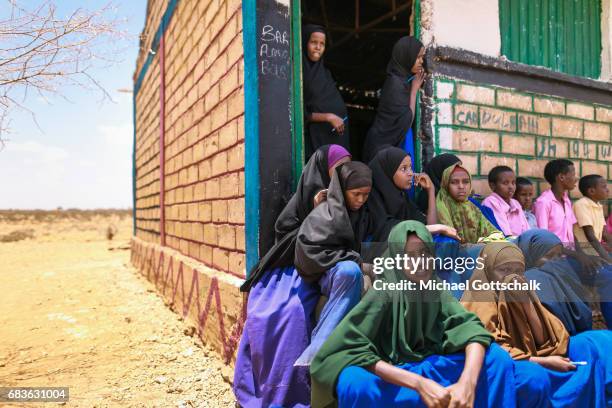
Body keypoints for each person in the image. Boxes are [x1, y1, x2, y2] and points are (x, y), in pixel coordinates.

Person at [310, 221, 526, 408]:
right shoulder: (384, 292)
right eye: (410, 255)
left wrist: (467, 384)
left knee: (495, 357)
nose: (420, 262)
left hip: (428, 365)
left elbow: (470, 328)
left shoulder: (435, 287)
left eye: (425, 253)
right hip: (394, 375)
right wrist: (418, 383)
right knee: (353, 381)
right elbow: (348, 348)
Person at [233, 145, 350, 408]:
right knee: (265, 311)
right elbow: (287, 238)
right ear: (322, 170)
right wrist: (316, 212)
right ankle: (257, 390)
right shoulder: (302, 201)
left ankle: (291, 395)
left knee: (293, 314)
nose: (342, 175)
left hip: (315, 271)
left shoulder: (348, 200)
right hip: (286, 272)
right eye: (338, 169)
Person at [461, 242, 609, 407]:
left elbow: (548, 339)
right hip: (508, 367)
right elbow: (492, 351)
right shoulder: (480, 298)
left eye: (518, 271)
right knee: (535, 377)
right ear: (488, 269)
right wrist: (543, 361)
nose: (513, 277)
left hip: (538, 356)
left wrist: (526, 304)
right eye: (504, 270)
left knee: (590, 346)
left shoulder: (520, 289)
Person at [293, 161, 374, 366]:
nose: (361, 200)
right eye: (356, 194)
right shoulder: (323, 215)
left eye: (366, 195)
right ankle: (319, 350)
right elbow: (308, 253)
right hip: (328, 274)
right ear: (343, 189)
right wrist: (357, 262)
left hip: (352, 271)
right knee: (349, 271)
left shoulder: (364, 215)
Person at [518, 229, 612, 332]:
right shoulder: (529, 285)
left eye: (558, 256)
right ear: (532, 254)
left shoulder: (558, 276)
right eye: (549, 256)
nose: (555, 261)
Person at [367, 146, 458, 242]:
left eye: (410, 168)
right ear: (388, 171)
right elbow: (392, 231)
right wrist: (439, 228)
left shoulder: (402, 198)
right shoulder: (372, 200)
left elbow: (430, 226)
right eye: (403, 169)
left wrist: (430, 190)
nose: (410, 173)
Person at [362, 36, 425, 163]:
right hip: (380, 147)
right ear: (406, 57)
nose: (421, 61)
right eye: (418, 57)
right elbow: (406, 121)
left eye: (422, 57)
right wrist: (414, 91)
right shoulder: (395, 84)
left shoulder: (402, 80)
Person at [416, 153, 502, 230]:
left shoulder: (466, 200)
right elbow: (433, 228)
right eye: (453, 168)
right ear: (442, 173)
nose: (458, 170)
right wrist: (431, 190)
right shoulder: (429, 198)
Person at [302, 25, 350, 159]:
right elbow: (300, 112)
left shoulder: (325, 73)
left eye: (322, 44)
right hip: (315, 139)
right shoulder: (299, 73)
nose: (318, 47)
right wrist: (329, 117)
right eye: (313, 42)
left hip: (334, 136)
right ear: (305, 42)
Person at [436, 163, 503, 244]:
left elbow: (492, 233)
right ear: (446, 184)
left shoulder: (473, 207)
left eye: (466, 182)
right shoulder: (441, 205)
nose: (461, 186)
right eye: (454, 182)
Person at [533, 159, 578, 246]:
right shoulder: (543, 203)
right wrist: (576, 255)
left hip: (570, 255)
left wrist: (581, 254)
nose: (576, 178)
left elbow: (571, 233)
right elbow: (543, 239)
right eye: (573, 174)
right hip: (554, 257)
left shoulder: (566, 201)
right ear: (561, 177)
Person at [482, 166, 530, 237]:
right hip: (504, 244)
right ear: (493, 186)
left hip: (520, 243)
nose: (511, 187)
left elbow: (526, 230)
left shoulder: (515, 203)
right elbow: (505, 233)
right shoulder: (491, 202)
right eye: (505, 183)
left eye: (513, 183)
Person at [573, 174, 611, 261]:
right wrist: (608, 259)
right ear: (591, 191)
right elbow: (590, 235)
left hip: (596, 252)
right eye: (604, 187)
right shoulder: (581, 204)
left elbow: (604, 233)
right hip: (585, 255)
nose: (607, 190)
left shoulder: (598, 206)